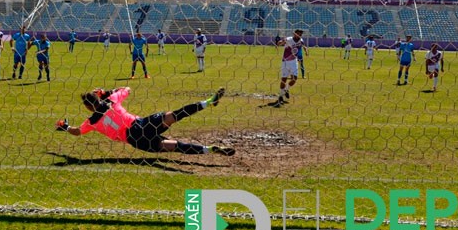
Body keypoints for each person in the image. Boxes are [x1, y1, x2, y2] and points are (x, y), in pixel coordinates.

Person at [55, 87, 234, 156]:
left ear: (88, 107)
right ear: (99, 98)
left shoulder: (92, 121)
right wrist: (106, 92)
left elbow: (77, 132)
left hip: (135, 140)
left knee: (175, 146)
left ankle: (209, 149)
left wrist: (65, 126)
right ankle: (208, 102)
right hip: (141, 124)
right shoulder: (112, 101)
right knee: (177, 115)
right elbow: (127, 88)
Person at [275, 29, 305, 106]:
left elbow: (300, 47)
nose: (299, 35)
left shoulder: (301, 41)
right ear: (294, 34)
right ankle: (281, 96)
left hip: (294, 62)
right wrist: (280, 43)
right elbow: (281, 42)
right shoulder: (289, 39)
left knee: (294, 79)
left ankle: (286, 89)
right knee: (283, 79)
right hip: (285, 62)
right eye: (298, 34)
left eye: (301, 34)